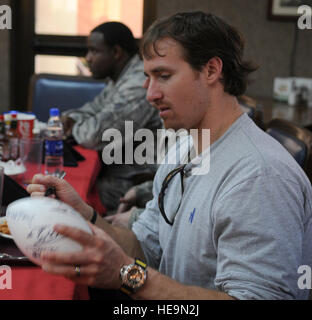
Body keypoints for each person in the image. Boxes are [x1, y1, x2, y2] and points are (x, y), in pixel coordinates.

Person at [28, 11, 312, 300]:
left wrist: (127, 276)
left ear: (212, 70)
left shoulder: (258, 175)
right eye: (147, 78)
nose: (150, 94)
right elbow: (146, 246)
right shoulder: (183, 146)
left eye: (164, 76)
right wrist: (84, 214)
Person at [61, 22, 162, 214]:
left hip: (139, 182)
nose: (88, 58)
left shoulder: (137, 83)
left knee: (62, 199)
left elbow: (94, 136)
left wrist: (73, 126)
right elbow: (94, 108)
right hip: (115, 168)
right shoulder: (120, 77)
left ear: (116, 52)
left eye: (94, 51)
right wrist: (72, 119)